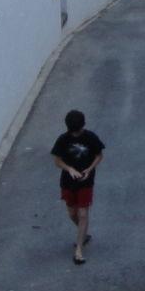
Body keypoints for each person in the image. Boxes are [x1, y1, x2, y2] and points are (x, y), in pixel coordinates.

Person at [50, 110, 105, 265]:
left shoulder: (90, 137)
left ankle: (79, 249)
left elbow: (99, 155)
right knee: (72, 213)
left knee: (82, 214)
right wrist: (69, 169)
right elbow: (57, 161)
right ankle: (84, 234)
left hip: (86, 182)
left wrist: (90, 169)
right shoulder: (63, 140)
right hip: (68, 182)